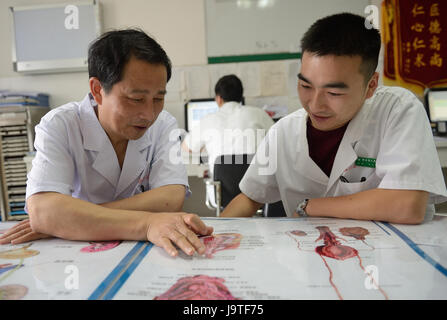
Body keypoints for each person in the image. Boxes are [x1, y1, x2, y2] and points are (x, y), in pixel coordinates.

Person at [0, 29, 213, 257]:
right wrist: (147, 223)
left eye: (158, 99)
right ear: (97, 90)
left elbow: (170, 199)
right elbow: (43, 212)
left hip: (125, 248)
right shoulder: (60, 125)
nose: (149, 114)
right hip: (75, 254)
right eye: (136, 99)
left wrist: (72, 220)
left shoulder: (164, 124)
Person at [221, 13, 447, 224]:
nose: (315, 104)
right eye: (305, 85)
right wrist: (214, 234)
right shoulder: (284, 132)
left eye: (334, 93)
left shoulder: (396, 110)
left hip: (390, 261)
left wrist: (310, 207)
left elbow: (407, 205)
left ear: (371, 86)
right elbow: (250, 197)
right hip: (310, 259)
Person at [181, 74, 274, 208]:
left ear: (218, 99)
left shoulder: (208, 120)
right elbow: (277, 141)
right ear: (240, 96)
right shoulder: (259, 114)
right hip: (258, 194)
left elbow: (187, 148)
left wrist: (205, 147)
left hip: (223, 196)